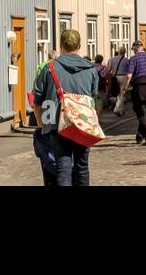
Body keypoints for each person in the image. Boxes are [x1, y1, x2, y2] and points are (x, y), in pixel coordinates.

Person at [31, 29, 100, 186]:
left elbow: (37, 100)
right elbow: (94, 98)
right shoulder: (90, 69)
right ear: (79, 46)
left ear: (61, 45)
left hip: (57, 124)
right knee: (82, 167)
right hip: (83, 123)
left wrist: (42, 125)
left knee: (63, 168)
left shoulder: (50, 68)